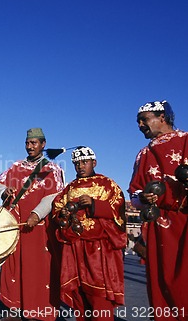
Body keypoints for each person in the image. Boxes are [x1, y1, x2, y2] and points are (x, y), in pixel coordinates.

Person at [0, 128, 65, 321]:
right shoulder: (15, 166)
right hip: (15, 225)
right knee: (13, 266)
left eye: (34, 143)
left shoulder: (52, 169)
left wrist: (37, 213)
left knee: (37, 268)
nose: (30, 146)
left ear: (43, 144)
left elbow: (54, 196)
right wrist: (4, 191)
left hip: (37, 227)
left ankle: (37, 310)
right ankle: (14, 308)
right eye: (27, 143)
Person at [128, 100, 188, 320]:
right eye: (138, 122)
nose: (140, 125)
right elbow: (133, 195)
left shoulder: (186, 141)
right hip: (159, 228)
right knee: (161, 287)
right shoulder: (143, 155)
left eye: (144, 120)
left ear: (162, 117)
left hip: (185, 222)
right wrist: (143, 198)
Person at [52, 146, 126, 321]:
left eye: (84, 162)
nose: (80, 166)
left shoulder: (107, 184)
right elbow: (57, 208)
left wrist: (94, 204)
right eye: (76, 163)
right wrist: (62, 214)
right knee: (79, 294)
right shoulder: (69, 188)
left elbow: (119, 210)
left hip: (99, 250)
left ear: (94, 162)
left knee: (99, 296)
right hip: (75, 247)